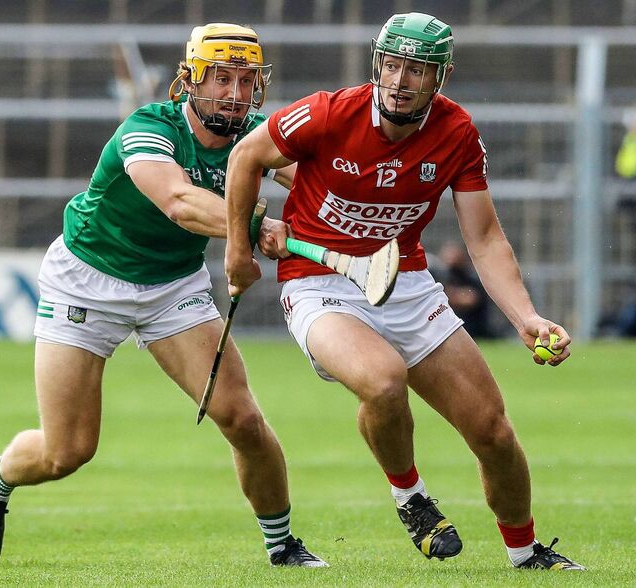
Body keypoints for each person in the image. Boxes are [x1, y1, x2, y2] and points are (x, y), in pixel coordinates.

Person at [224, 12, 585, 571]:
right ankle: (410, 496)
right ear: (378, 65)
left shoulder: (456, 132)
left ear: (439, 76)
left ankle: (526, 554)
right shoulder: (328, 113)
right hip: (320, 285)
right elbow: (246, 157)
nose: (399, 80)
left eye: (416, 70)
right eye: (392, 66)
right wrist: (237, 252)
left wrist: (526, 318)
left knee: (492, 432)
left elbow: (485, 237)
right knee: (384, 380)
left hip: (406, 282)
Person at [0, 23, 326, 568]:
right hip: (86, 279)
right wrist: (253, 226)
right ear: (189, 82)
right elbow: (178, 201)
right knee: (68, 452)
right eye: (221, 78)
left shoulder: (257, 135)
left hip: (171, 286)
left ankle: (283, 547)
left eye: (246, 81)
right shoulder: (147, 128)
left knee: (242, 418)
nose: (234, 93)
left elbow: (320, 184)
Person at [433, 241, 496, 339]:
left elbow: (470, 299)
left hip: (473, 328)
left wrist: (450, 295)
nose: (450, 262)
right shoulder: (442, 276)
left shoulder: (472, 277)